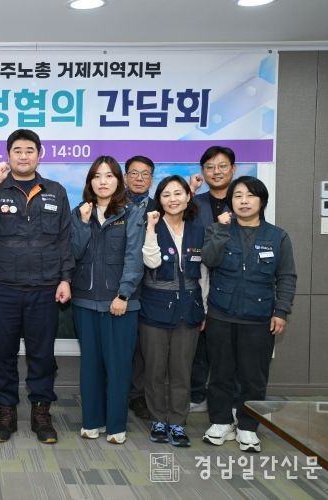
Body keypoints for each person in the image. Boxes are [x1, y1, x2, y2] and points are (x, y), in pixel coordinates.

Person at [0, 129, 73, 444]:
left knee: (42, 354)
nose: (24, 155)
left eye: (30, 150)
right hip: (1, 287)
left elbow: (65, 239)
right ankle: (6, 413)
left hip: (44, 287)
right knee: (1, 353)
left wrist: (66, 278)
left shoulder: (55, 191)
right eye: (17, 150)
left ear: (39, 155)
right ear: (8, 155)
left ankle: (41, 413)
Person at [201, 176, 296, 453]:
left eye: (250, 196)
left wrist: (281, 311)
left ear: (262, 201)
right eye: (238, 196)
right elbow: (209, 259)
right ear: (230, 201)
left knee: (253, 377)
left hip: (258, 318)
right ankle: (220, 421)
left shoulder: (277, 236)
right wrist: (221, 230)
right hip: (221, 315)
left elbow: (286, 276)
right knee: (220, 374)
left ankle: (247, 426)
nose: (243, 201)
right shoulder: (217, 229)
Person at [71, 155, 144, 445]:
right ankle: (92, 421)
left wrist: (123, 294)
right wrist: (82, 224)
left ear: (119, 180)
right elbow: (73, 253)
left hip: (120, 303)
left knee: (118, 366)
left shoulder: (132, 213)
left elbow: (134, 256)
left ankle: (116, 425)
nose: (103, 182)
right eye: (97, 176)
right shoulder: (81, 212)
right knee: (90, 365)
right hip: (85, 301)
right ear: (90, 181)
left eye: (109, 176)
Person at [140, 175, 207, 447]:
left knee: (181, 370)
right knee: (155, 370)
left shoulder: (198, 230)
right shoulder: (151, 225)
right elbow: (151, 261)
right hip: (154, 309)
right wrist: (151, 228)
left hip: (188, 310)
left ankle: (178, 422)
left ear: (188, 196)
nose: (172, 199)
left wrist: (203, 309)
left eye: (178, 193)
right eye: (166, 194)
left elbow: (204, 274)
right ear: (159, 199)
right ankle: (158, 419)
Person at [189, 146, 238, 414]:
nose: (216, 171)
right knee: (199, 342)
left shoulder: (243, 199)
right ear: (203, 171)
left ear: (233, 169)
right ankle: (197, 393)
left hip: (232, 280)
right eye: (209, 167)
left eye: (222, 166)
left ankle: (229, 399)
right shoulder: (196, 203)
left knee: (228, 345)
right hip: (200, 277)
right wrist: (190, 191)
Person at [123, 155, 156, 421]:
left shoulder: (160, 208)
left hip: (151, 285)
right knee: (120, 343)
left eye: (145, 174)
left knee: (142, 345)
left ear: (152, 179)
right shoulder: (111, 204)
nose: (139, 178)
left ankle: (138, 395)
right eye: (134, 173)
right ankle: (117, 392)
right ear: (125, 177)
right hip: (118, 284)